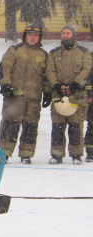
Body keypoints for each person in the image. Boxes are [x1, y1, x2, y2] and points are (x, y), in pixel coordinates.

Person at [0, 24, 51, 164]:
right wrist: (5, 85)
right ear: (25, 36)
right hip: (14, 97)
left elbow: (46, 77)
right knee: (10, 124)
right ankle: (5, 152)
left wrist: (47, 93)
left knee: (31, 126)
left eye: (35, 35)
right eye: (30, 35)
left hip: (33, 99)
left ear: (39, 38)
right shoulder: (15, 50)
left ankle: (26, 154)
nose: (32, 38)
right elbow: (4, 68)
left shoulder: (44, 55)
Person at [46, 25, 92, 164]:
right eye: (63, 33)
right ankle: (57, 154)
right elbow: (50, 70)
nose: (65, 35)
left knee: (76, 126)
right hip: (58, 95)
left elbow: (86, 69)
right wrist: (56, 85)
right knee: (58, 126)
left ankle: (76, 155)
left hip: (77, 96)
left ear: (73, 35)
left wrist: (76, 84)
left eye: (68, 33)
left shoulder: (84, 52)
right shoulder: (54, 53)